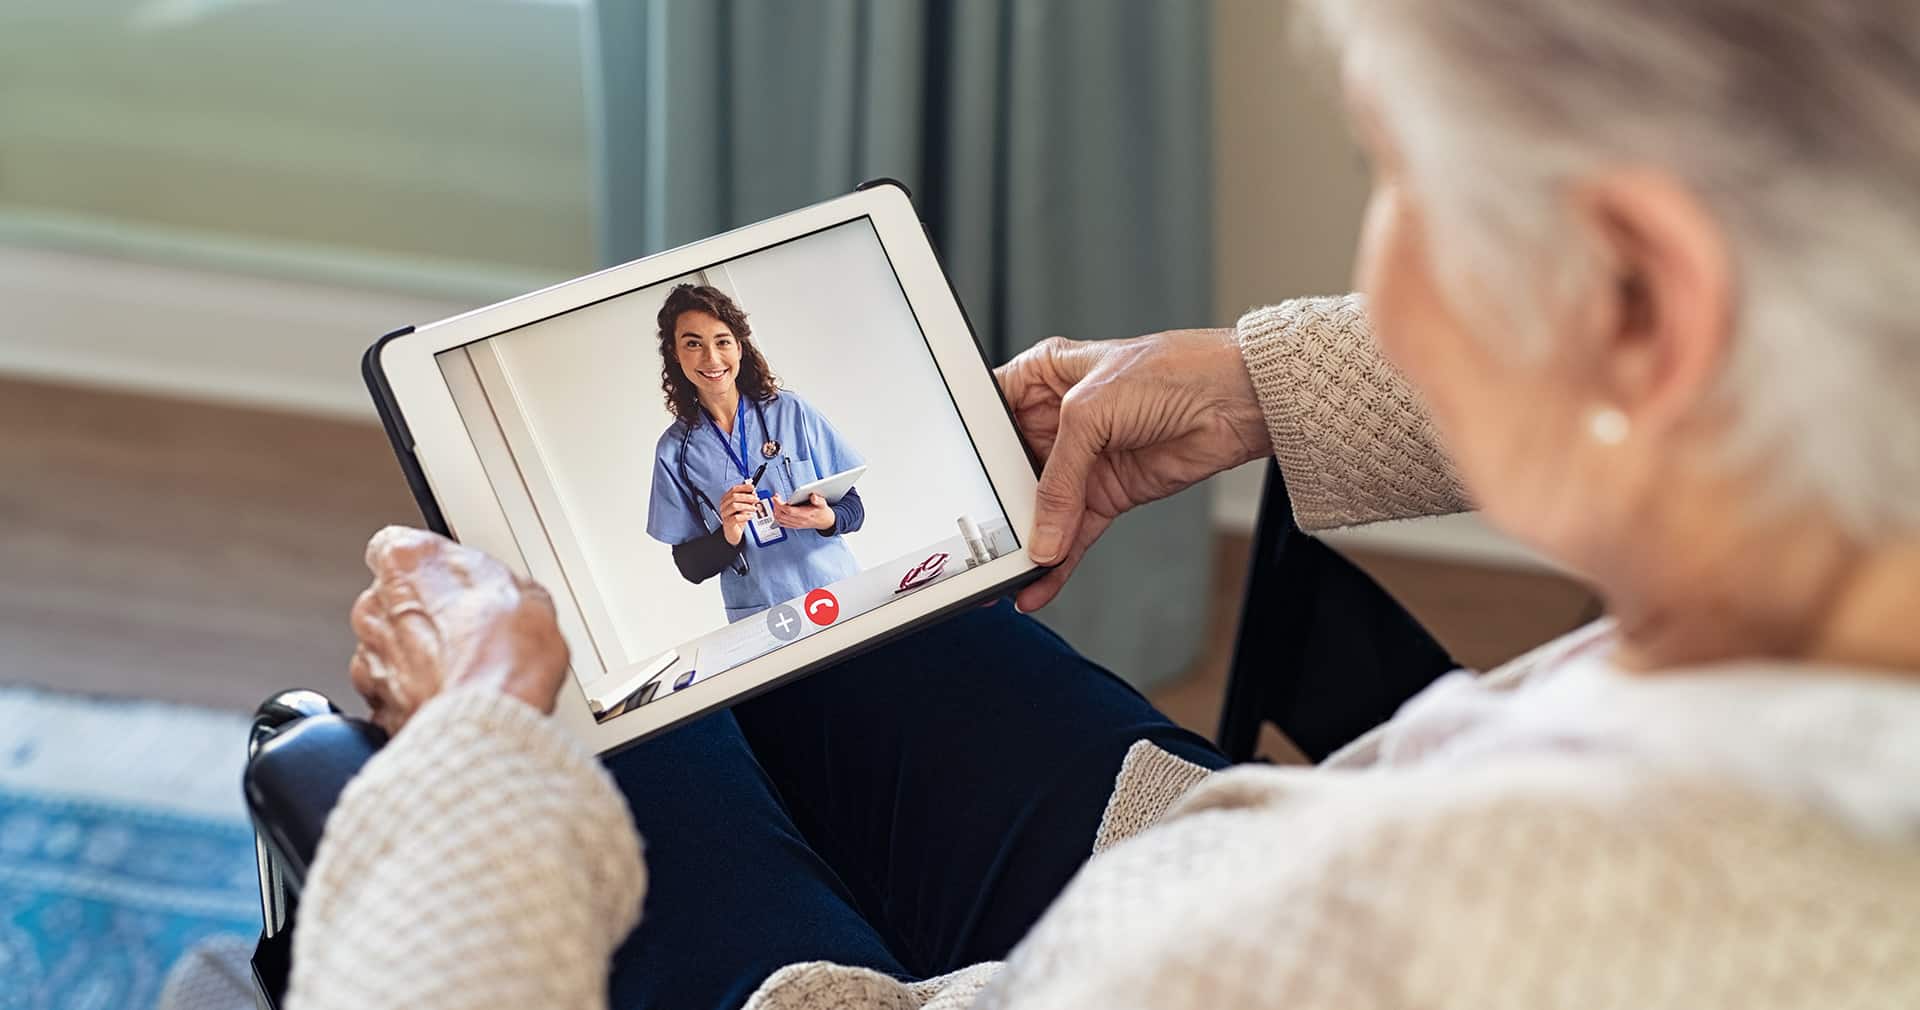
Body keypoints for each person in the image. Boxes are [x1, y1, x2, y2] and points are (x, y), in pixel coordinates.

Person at [295, 3, 1920, 1008]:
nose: (1384, 265)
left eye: (1399, 178)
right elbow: (690, 529)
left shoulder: (1426, 930)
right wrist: (1261, 386)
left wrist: (474, 765)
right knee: (844, 636)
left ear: (1639, 298)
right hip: (1244, 838)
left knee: (595, 708)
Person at [645, 283, 867, 621]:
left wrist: (826, 518)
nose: (712, 358)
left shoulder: (791, 412)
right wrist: (728, 535)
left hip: (835, 588)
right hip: (764, 613)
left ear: (739, 346)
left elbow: (854, 507)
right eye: (693, 344)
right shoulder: (675, 451)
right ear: (675, 353)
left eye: (722, 341)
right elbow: (689, 566)